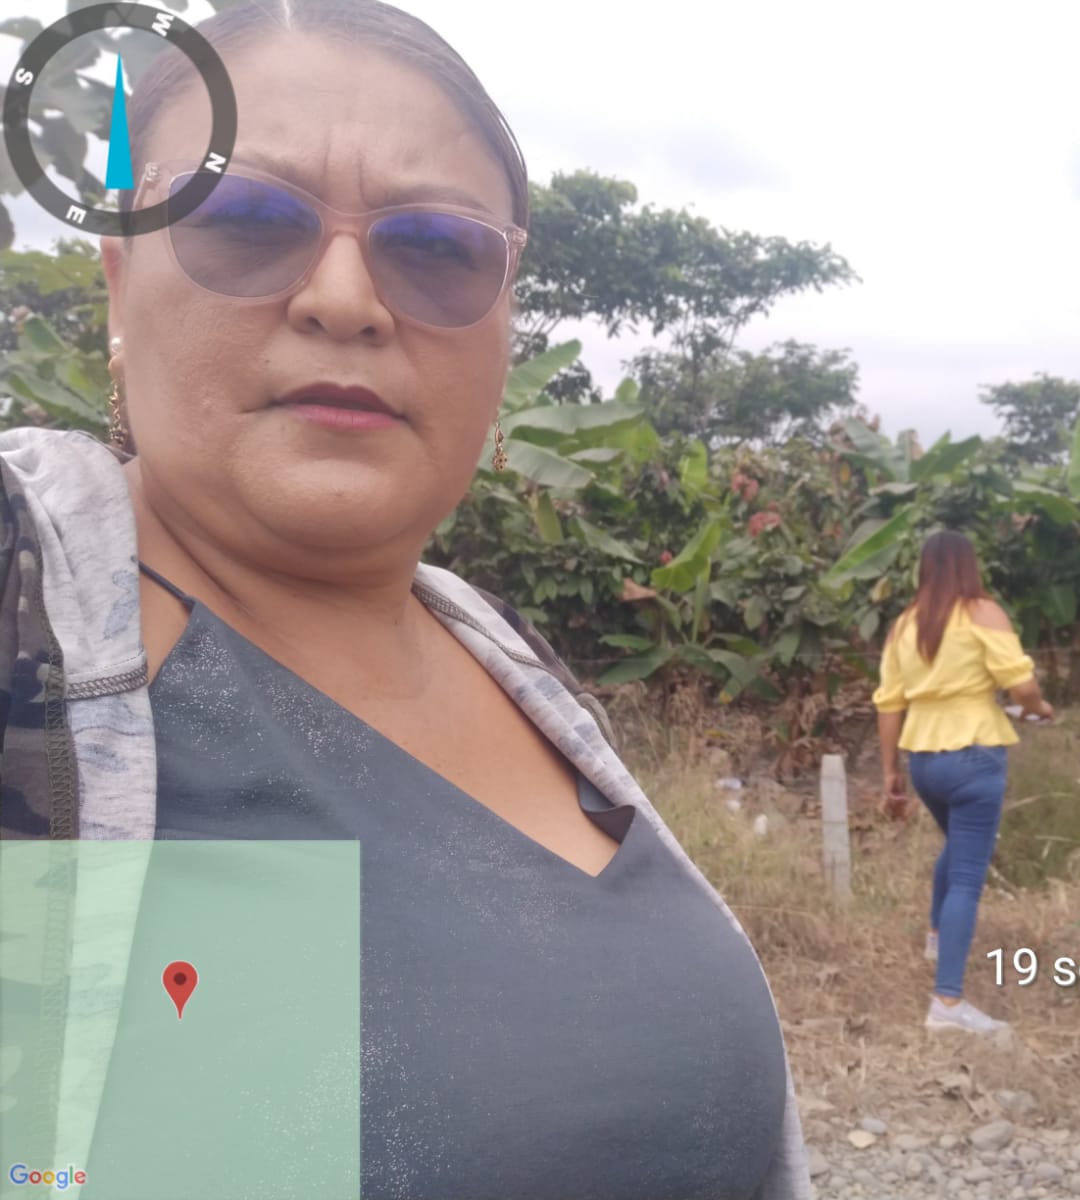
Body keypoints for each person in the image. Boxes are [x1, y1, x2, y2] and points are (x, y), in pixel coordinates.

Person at [0, 3, 809, 1197]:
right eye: (247, 220)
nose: (345, 298)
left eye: (436, 246)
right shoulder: (29, 626)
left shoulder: (513, 666)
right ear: (121, 285)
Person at [872, 530, 1054, 1036]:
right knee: (968, 876)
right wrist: (1039, 708)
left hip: (924, 762)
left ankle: (937, 935)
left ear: (924, 569)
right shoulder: (983, 613)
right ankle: (948, 1003)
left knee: (957, 847)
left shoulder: (904, 625)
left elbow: (888, 704)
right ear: (969, 567)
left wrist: (890, 774)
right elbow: (1021, 684)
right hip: (974, 755)